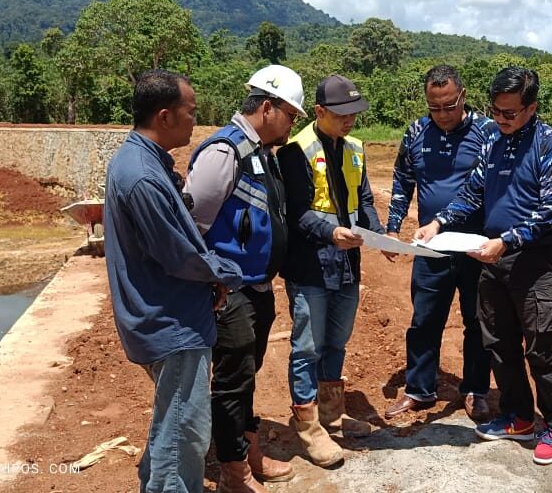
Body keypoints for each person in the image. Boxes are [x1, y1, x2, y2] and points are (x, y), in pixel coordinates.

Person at [416, 66, 552, 465]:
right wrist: (439, 222)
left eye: (510, 113)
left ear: (531, 107)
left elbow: (551, 211)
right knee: (499, 344)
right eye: (496, 111)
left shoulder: (550, 145)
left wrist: (507, 241)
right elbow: (473, 192)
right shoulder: (493, 141)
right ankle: (519, 416)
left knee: (541, 347)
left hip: (535, 261)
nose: (501, 120)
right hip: (493, 257)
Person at [102, 69, 243, 493]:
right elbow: (177, 254)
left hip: (168, 314)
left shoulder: (143, 163)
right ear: (165, 116)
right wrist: (226, 273)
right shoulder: (142, 176)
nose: (194, 121)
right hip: (171, 322)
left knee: (172, 423)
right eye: (190, 112)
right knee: (185, 434)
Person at [184, 65, 304, 492]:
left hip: (256, 287)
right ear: (267, 107)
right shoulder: (225, 151)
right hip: (229, 291)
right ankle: (232, 470)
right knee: (232, 382)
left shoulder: (260, 151)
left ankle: (249, 453)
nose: (292, 125)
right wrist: (212, 281)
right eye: (290, 115)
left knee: (247, 374)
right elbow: (191, 227)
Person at [277, 74, 384, 467]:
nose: (350, 120)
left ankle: (331, 413)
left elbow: (366, 198)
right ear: (319, 111)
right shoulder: (295, 150)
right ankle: (307, 427)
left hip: (346, 265)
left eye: (354, 113)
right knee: (307, 347)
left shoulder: (355, 148)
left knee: (336, 342)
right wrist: (331, 232)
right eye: (342, 114)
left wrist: (379, 235)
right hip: (310, 267)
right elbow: (297, 213)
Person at [382, 65, 497, 422]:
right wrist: (391, 227)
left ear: (463, 95)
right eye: (436, 108)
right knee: (425, 319)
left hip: (475, 247)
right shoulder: (416, 132)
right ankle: (419, 389)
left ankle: (476, 389)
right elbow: (403, 181)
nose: (444, 115)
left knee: (477, 320)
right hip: (430, 246)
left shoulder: (487, 132)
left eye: (450, 106)